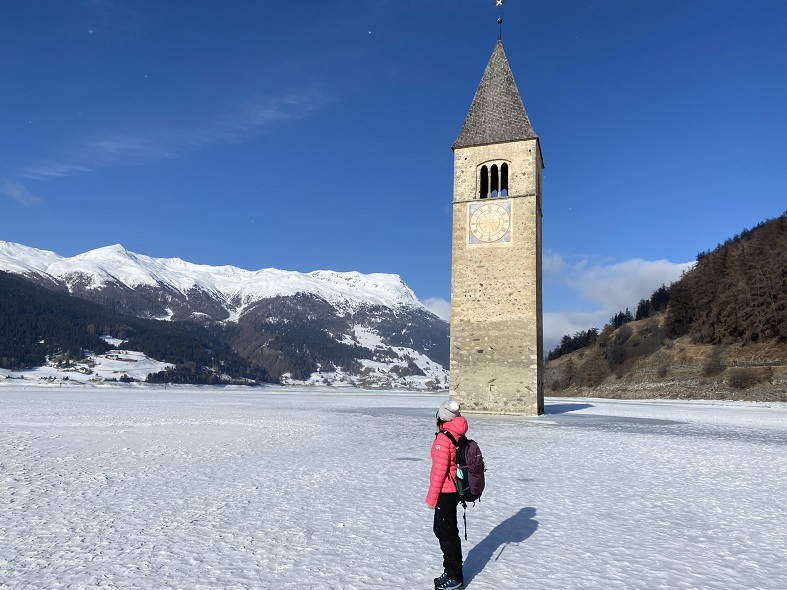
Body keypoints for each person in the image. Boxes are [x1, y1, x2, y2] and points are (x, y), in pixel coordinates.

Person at [426, 399, 468, 590]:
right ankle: (450, 570)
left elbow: (439, 472)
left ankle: (455, 576)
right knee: (444, 531)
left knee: (447, 533)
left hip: (446, 491)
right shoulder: (457, 433)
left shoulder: (444, 438)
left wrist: (431, 499)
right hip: (454, 489)